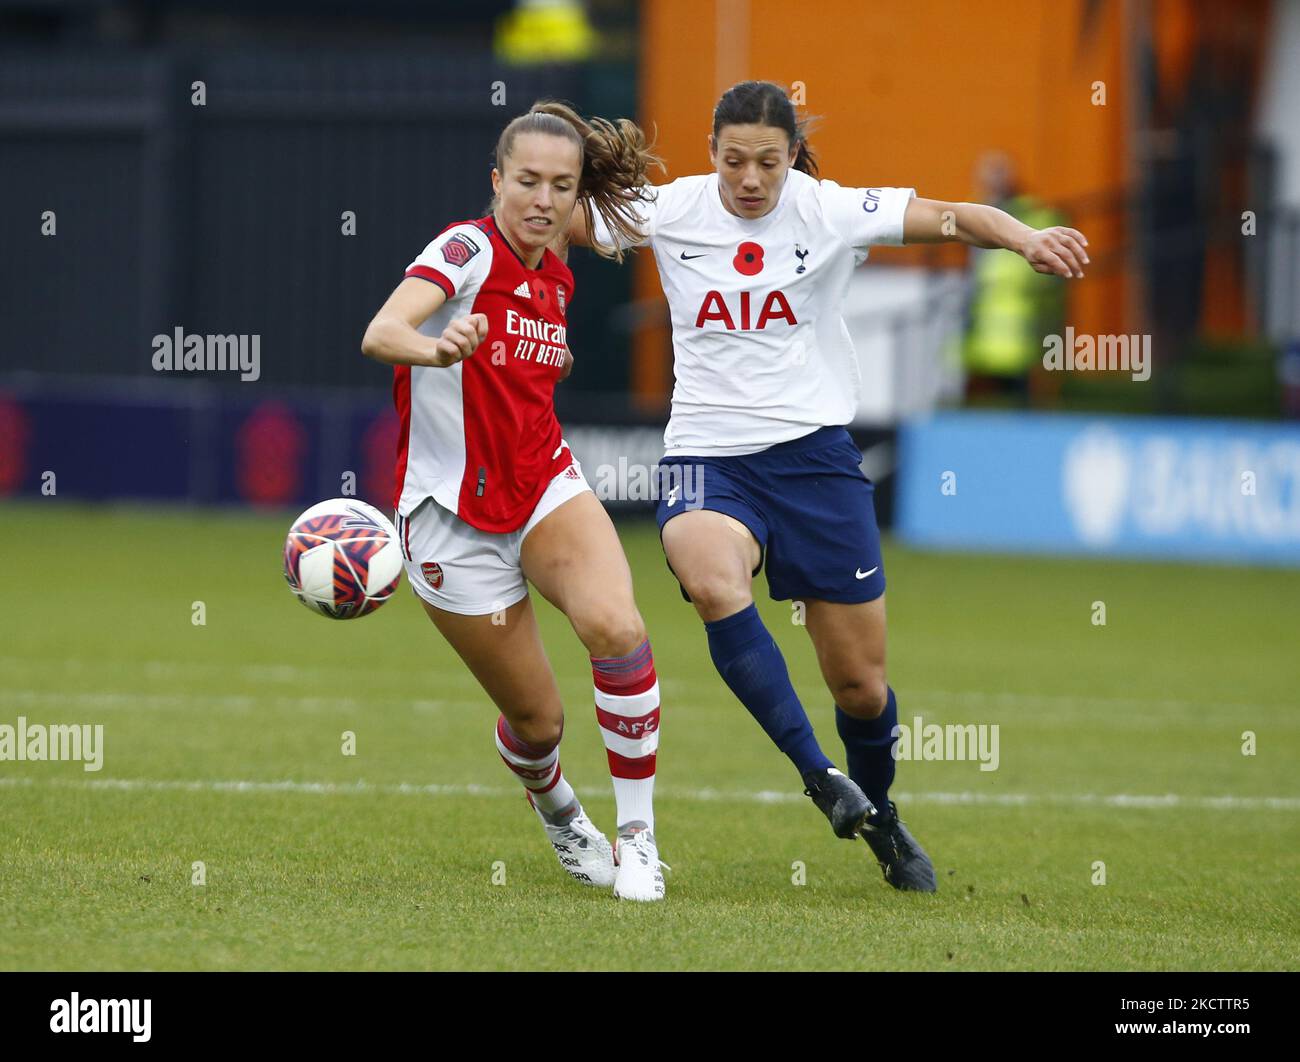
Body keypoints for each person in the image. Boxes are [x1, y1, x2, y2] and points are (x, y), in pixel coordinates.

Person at [571, 81, 1089, 892]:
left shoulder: (828, 210)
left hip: (814, 464)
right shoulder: (668, 209)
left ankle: (878, 815)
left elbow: (950, 215)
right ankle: (820, 778)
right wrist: (515, 201)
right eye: (734, 160)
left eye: (768, 162)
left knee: (860, 683)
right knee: (710, 576)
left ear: (789, 159)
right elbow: (549, 216)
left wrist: (1023, 236)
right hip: (707, 456)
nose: (750, 179)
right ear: (712, 153)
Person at [361, 102, 667, 901]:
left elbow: (627, 236)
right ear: (497, 181)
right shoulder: (464, 250)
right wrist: (437, 346)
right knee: (539, 725)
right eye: (526, 181)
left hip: (543, 488)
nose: (543, 199)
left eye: (561, 186)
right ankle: (562, 812)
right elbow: (381, 332)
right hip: (448, 521)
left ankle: (639, 837)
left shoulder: (559, 256)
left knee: (616, 626)